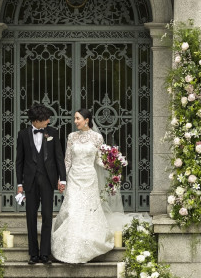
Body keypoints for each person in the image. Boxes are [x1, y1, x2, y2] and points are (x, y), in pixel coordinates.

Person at [51, 108, 125, 264]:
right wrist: (61, 179)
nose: (75, 121)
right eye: (75, 118)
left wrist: (113, 164)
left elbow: (98, 160)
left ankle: (87, 246)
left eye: (78, 118)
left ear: (87, 120)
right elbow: (67, 160)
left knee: (87, 212)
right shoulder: (71, 137)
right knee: (72, 210)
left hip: (89, 179)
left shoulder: (97, 138)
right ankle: (70, 250)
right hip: (74, 178)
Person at [15, 104, 66, 265]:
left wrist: (62, 179)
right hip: (29, 182)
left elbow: (59, 157)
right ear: (36, 121)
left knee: (47, 215)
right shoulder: (22, 134)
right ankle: (33, 254)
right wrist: (19, 184)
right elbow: (19, 161)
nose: (49, 121)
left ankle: (45, 253)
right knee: (30, 216)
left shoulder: (52, 133)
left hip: (47, 179)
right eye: (46, 119)